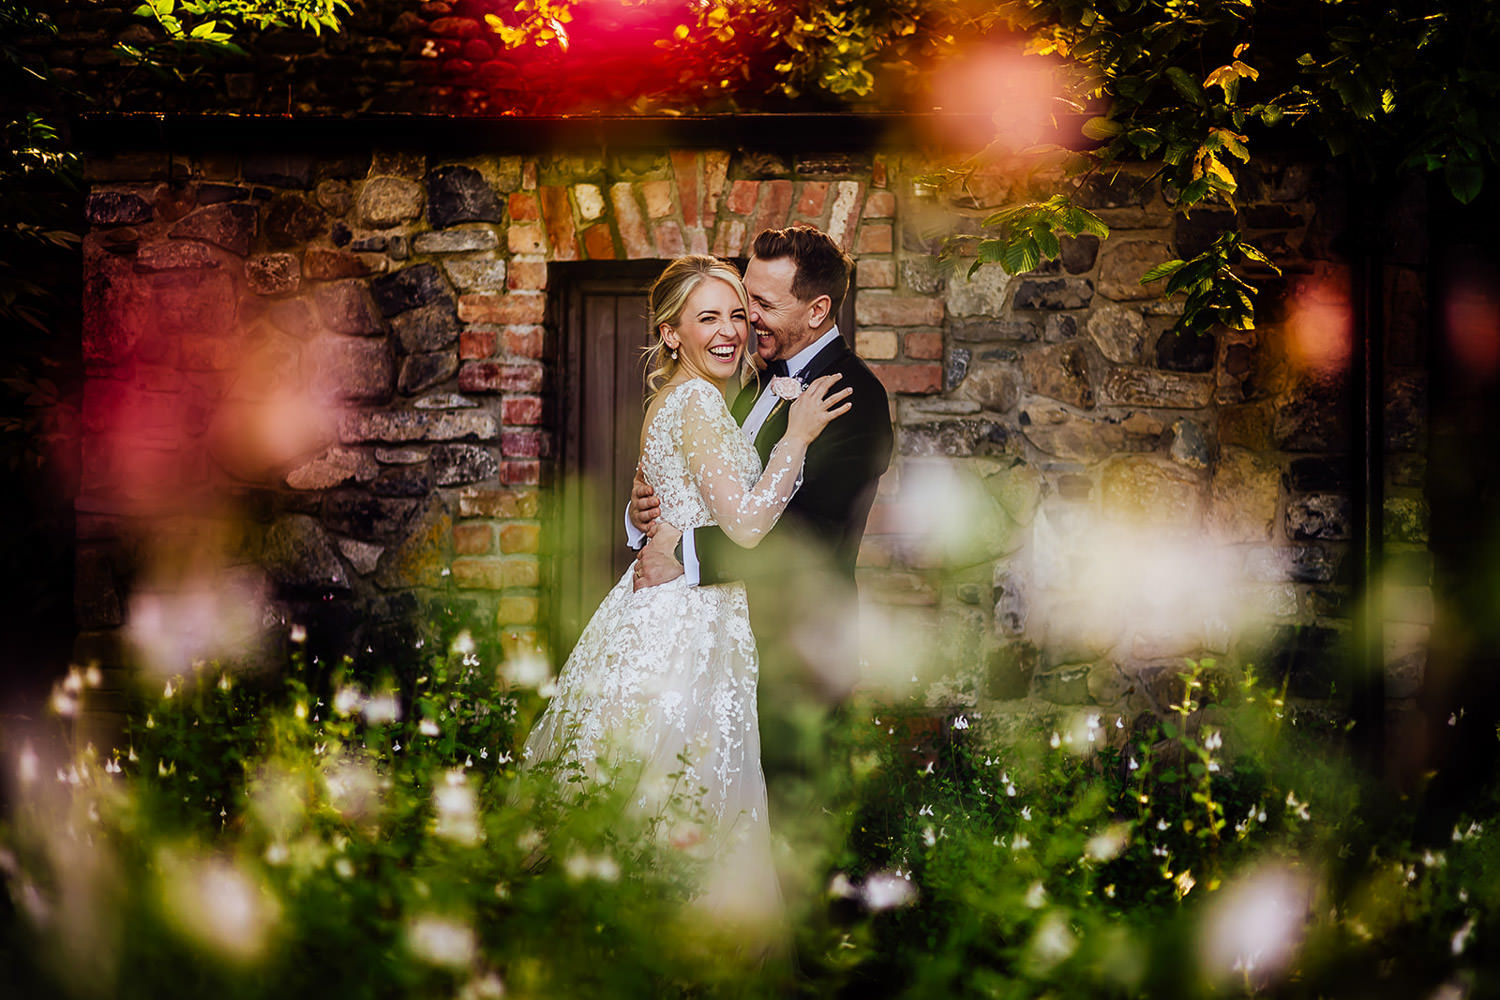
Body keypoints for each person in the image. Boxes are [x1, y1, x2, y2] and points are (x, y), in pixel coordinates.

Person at [522, 255, 851, 931]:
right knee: (681, 794)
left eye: (737, 314)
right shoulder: (699, 401)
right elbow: (750, 526)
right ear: (672, 332)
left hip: (659, 613)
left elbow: (661, 505)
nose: (729, 330)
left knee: (639, 789)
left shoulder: (672, 399)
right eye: (708, 318)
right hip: (687, 632)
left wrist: (644, 521)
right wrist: (797, 437)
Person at [629, 226, 894, 712]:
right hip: (711, 640)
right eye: (746, 298)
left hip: (796, 656)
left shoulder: (855, 397)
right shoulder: (743, 375)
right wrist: (647, 506)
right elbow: (709, 477)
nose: (747, 319)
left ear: (817, 310)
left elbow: (807, 537)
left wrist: (686, 553)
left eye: (763, 306)